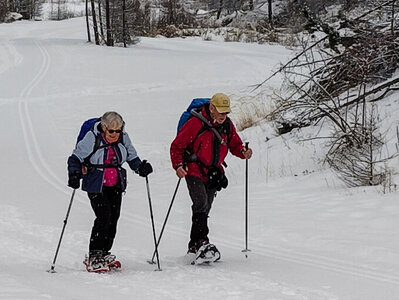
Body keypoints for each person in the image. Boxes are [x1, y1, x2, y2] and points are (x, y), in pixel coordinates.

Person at [67, 111, 153, 272]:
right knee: (103, 216)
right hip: (96, 183)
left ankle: (105, 252)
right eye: (111, 131)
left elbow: (132, 157)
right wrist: (74, 174)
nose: (115, 134)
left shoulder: (123, 137)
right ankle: (94, 255)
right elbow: (75, 158)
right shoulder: (92, 137)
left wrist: (141, 167)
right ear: (104, 127)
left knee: (114, 217)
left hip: (116, 183)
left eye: (118, 130)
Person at [170, 93, 252, 259]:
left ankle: (194, 247)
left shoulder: (227, 125)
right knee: (200, 202)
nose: (224, 115)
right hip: (193, 168)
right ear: (212, 108)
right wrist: (178, 165)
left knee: (205, 207)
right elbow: (177, 146)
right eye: (221, 111)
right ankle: (202, 241)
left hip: (214, 172)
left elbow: (235, 144)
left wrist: (243, 152)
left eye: (226, 112)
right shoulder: (195, 123)